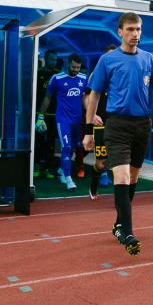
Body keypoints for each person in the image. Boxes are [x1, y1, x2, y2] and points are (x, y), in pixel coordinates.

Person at [83, 12, 153, 256]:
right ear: (120, 32)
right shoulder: (107, 60)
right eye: (130, 29)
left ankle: (120, 223)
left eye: (138, 30)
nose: (135, 34)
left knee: (133, 178)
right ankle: (129, 232)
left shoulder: (148, 59)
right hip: (117, 125)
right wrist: (89, 130)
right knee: (121, 178)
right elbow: (94, 95)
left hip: (142, 125)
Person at [39, 54, 87, 191]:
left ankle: (61, 169)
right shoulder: (57, 78)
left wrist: (90, 115)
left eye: (78, 67)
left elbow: (84, 98)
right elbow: (48, 98)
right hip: (63, 119)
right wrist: (40, 117)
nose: (76, 70)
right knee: (66, 147)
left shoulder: (83, 79)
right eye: (74, 67)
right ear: (68, 64)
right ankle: (67, 178)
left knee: (75, 146)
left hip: (77, 120)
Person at [86, 45, 117, 200]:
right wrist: (92, 115)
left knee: (121, 161)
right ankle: (93, 186)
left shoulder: (122, 72)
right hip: (101, 124)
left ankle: (121, 197)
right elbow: (87, 98)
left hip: (118, 124)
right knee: (101, 164)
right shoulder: (97, 74)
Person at [34, 50, 60, 179]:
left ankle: (49, 168)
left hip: (54, 114)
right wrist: (38, 113)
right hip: (40, 114)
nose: (53, 62)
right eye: (51, 59)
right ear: (46, 58)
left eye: (55, 60)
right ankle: (37, 165)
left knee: (51, 142)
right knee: (38, 141)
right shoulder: (38, 73)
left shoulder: (58, 75)